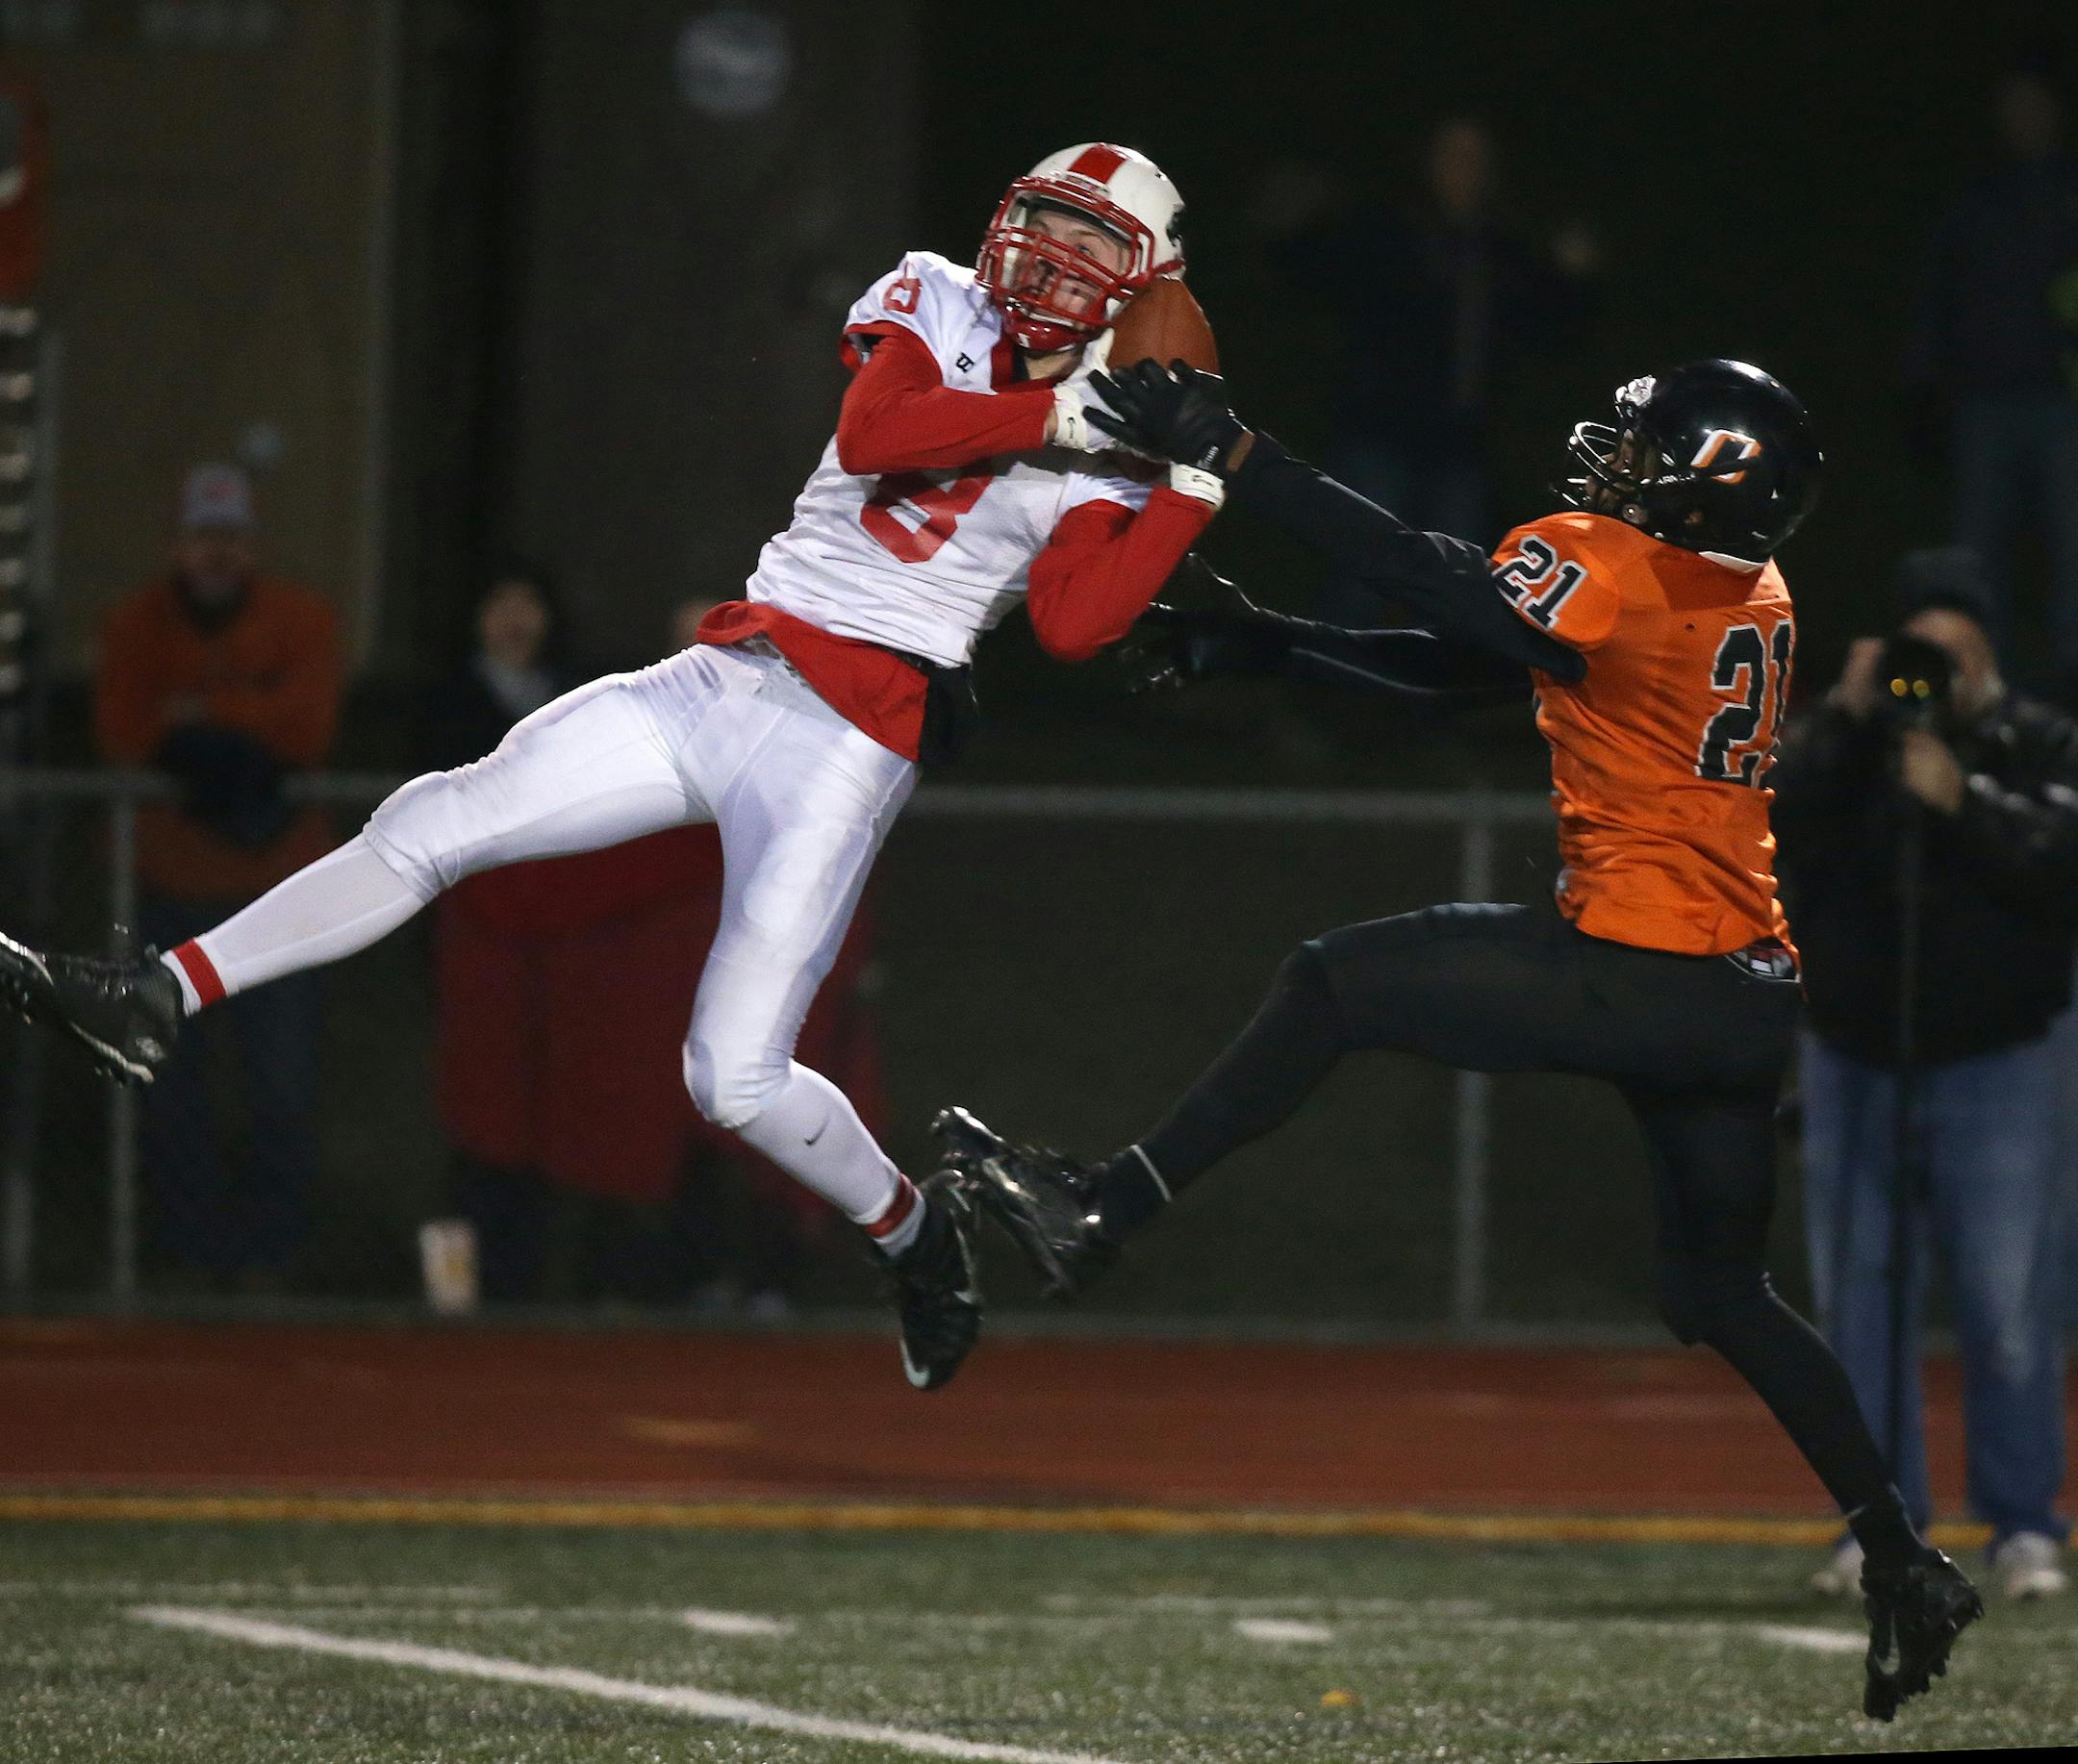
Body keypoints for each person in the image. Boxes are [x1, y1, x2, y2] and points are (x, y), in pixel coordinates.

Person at [0, 144, 1225, 1390]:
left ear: (1146, 276)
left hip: (847, 746)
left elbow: (1076, 626)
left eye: (1087, 243)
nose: (1043, 258)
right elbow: (876, 433)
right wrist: (1057, 413)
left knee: (732, 1078)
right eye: (1040, 223)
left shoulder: (1117, 439)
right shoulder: (936, 292)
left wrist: (1185, 486)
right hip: (727, 676)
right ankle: (156, 994)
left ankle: (915, 1235)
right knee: (442, 814)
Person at [936, 358, 1984, 1719]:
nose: (1612, 457)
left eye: (1643, 443)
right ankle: (1903, 1553)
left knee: (1333, 984)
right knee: (1722, 1294)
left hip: (1633, 964)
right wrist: (1270, 644)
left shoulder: (1607, 555)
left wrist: (1242, 457)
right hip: (1739, 995)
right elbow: (1471, 666)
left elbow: (1434, 581)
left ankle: (1100, 1207)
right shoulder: (1746, 588)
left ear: (1711, 473)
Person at [1772, 549, 2077, 1603]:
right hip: (1856, 1053)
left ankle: (2026, 1524)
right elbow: (1773, 832)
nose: (1930, 677)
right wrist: (1850, 720)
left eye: (1954, 654)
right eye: (1914, 654)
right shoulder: (1844, 746)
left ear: (1989, 658)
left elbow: (2059, 868)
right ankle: (1878, 1526)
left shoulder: (2038, 741)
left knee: (2006, 1304)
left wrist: (1964, 796)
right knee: (1861, 1307)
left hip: (2003, 1058)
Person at [88, 464, 342, 1289]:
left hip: (278, 891)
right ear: (178, 543)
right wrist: (243, 731)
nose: (216, 555)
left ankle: (271, 1263)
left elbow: (308, 729)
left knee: (283, 1087)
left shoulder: (299, 619)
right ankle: (184, 1265)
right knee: (171, 1090)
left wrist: (202, 721)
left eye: (230, 538)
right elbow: (125, 730)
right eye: (203, 538)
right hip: (171, 887)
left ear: (251, 543)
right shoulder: (136, 625)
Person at [1252, 116, 1599, 616]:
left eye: (1475, 158)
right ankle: (1336, 678)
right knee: (1362, 571)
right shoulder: (1390, 230)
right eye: (1452, 155)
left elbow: (1553, 332)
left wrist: (1576, 281)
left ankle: (1431, 684)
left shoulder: (1498, 248)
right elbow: (1314, 272)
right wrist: (1287, 226)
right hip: (1379, 436)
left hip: (1460, 448)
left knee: (1453, 586)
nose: (1464, 170)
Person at [1908, 48, 2078, 681]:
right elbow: (1940, 294)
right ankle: (1982, 686)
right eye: (2013, 107)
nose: (2023, 119)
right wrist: (1923, 381)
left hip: (2062, 400)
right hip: (1985, 401)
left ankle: (2067, 690)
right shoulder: (1977, 198)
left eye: (2034, 105)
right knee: (1976, 559)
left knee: (2070, 551)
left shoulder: (2068, 193)